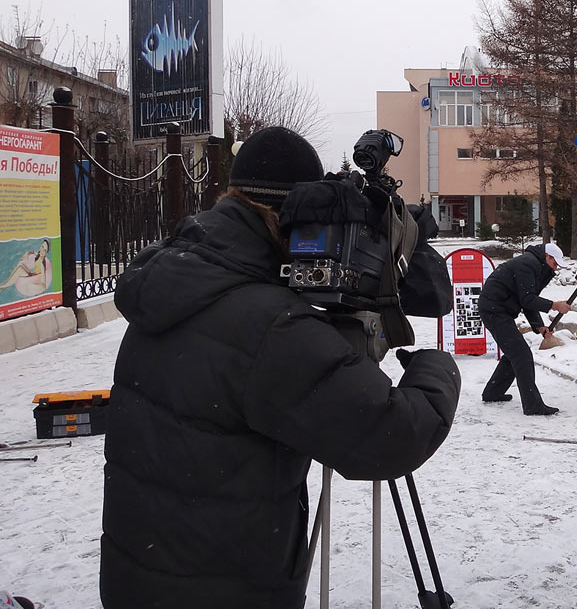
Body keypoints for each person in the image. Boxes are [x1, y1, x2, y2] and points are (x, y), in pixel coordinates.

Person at [100, 127, 461, 608]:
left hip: (137, 574)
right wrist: (435, 368)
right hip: (226, 590)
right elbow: (391, 437)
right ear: (294, 215)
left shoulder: (179, 278)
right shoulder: (268, 324)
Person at [479, 242, 573, 415]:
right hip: (494, 310)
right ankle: (532, 405)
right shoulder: (527, 264)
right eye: (554, 263)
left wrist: (540, 327)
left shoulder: (538, 266)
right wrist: (554, 305)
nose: (555, 268)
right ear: (547, 256)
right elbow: (527, 299)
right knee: (521, 355)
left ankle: (493, 392)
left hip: (499, 310)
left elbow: (529, 300)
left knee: (514, 352)